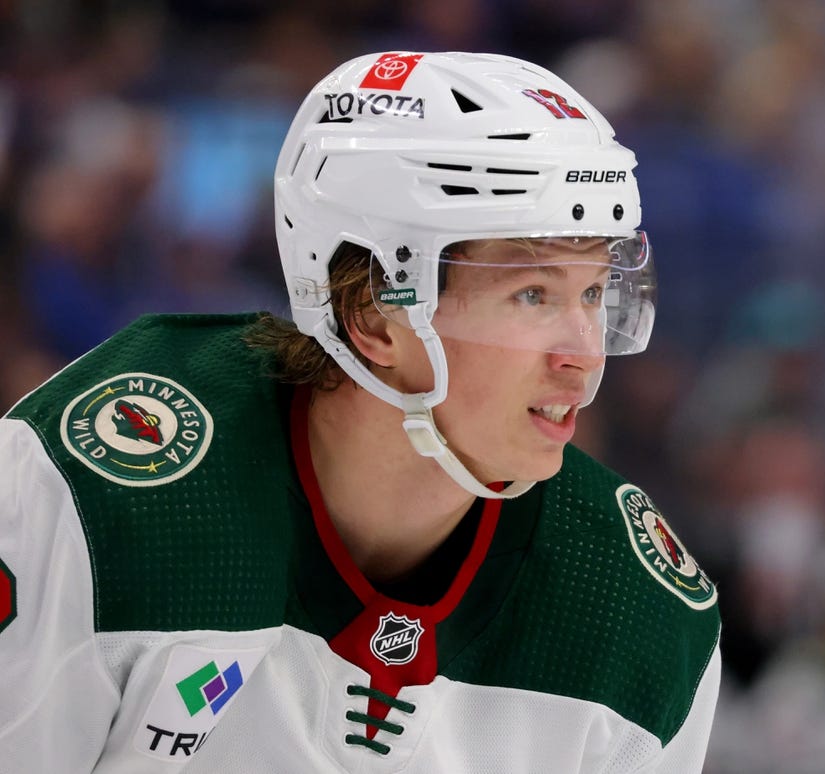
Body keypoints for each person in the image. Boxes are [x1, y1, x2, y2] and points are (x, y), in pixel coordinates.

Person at [0, 51, 721, 772]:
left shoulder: (639, 617)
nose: (584, 355)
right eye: (532, 294)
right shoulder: (99, 495)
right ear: (374, 315)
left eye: (594, 294)